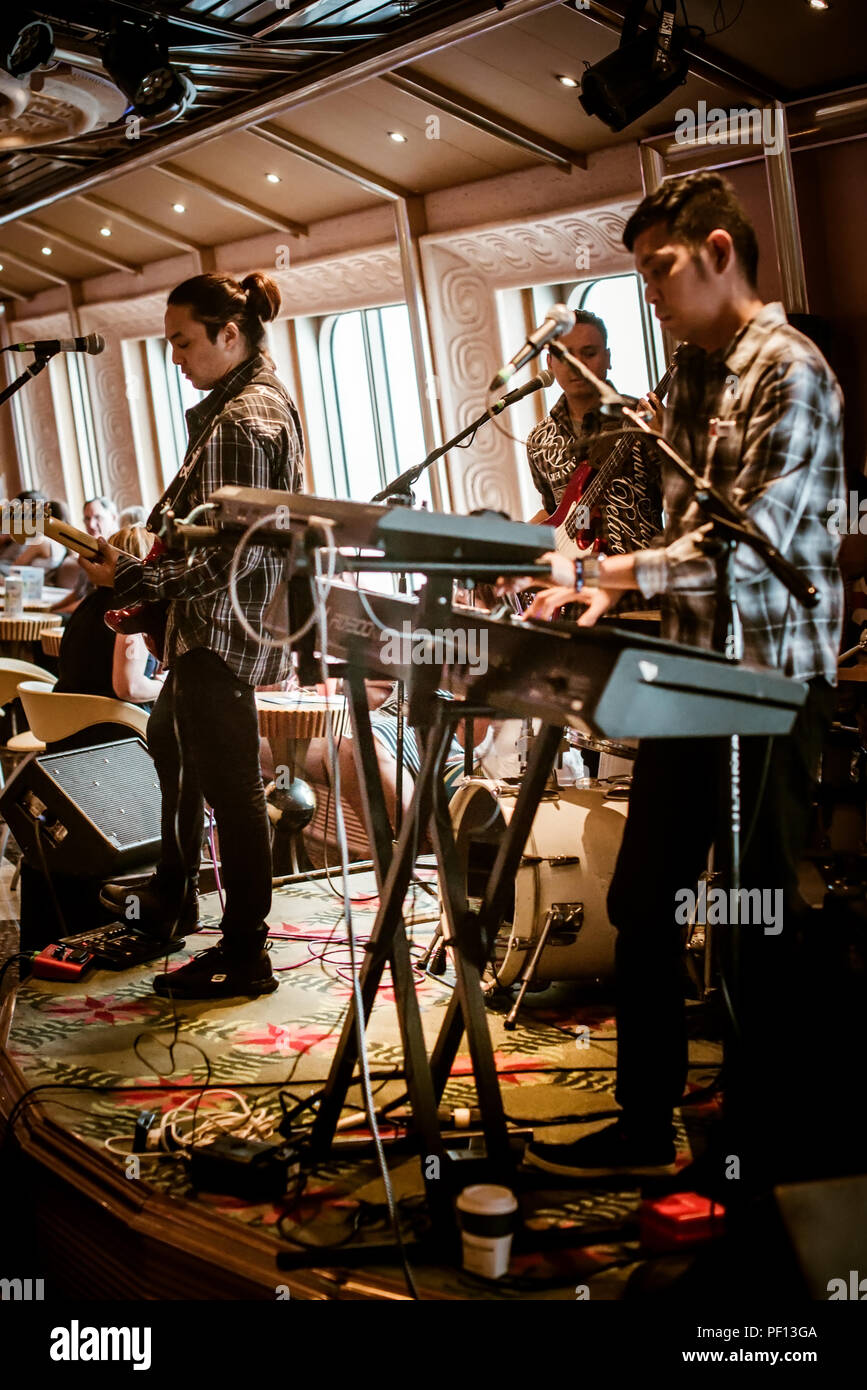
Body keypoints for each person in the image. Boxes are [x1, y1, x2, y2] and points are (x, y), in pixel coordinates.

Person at [512, 172, 845, 1193]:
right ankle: (645, 1120)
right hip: (695, 667)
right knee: (642, 894)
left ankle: (769, 1149)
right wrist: (616, 596)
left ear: (717, 251)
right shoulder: (690, 377)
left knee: (758, 918)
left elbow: (748, 544)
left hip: (772, 680)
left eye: (659, 269)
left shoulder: (793, 372)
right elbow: (682, 536)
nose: (648, 293)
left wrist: (605, 569)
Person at [80, 271, 304, 1001]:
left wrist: (137, 581)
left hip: (217, 636)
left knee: (234, 794)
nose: (173, 354)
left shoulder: (241, 419)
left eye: (182, 340)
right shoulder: (247, 404)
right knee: (174, 755)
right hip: (209, 632)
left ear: (228, 334)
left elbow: (233, 553)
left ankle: (245, 955)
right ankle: (173, 906)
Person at [525, 310, 663, 562]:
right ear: (549, 363)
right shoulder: (538, 440)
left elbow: (684, 498)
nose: (577, 364)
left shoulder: (641, 419)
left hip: (642, 585)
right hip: (574, 591)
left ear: (608, 358)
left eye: (589, 353)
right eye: (565, 355)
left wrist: (668, 442)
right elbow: (553, 511)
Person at [50, 524, 164, 749]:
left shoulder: (88, 604)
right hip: (110, 740)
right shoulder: (129, 608)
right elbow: (129, 688)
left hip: (63, 732)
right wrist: (166, 685)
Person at [50, 496, 120, 614]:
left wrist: (55, 613)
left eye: (98, 517)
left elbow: (91, 601)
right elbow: (77, 594)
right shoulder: (89, 549)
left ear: (113, 517)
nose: (91, 524)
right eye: (87, 519)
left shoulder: (116, 551)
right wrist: (50, 609)